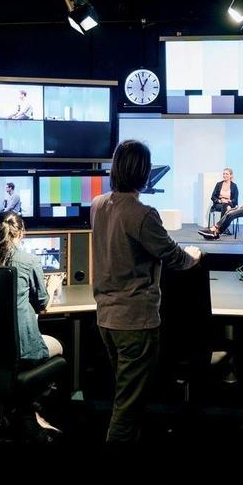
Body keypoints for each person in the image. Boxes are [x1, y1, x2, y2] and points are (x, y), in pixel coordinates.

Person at [91, 139, 201, 444]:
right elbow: (175, 257)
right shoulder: (142, 213)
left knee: (125, 394)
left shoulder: (98, 204)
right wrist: (195, 256)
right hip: (134, 322)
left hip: (106, 319)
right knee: (127, 408)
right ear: (144, 172)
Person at [0, 213, 64, 438]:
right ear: (21, 234)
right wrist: (52, 286)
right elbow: (42, 304)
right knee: (60, 345)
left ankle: (15, 408)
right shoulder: (29, 260)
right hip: (21, 350)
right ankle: (31, 408)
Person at [198, 164, 243, 239]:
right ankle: (215, 230)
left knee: (230, 214)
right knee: (229, 212)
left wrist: (239, 208)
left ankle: (216, 232)